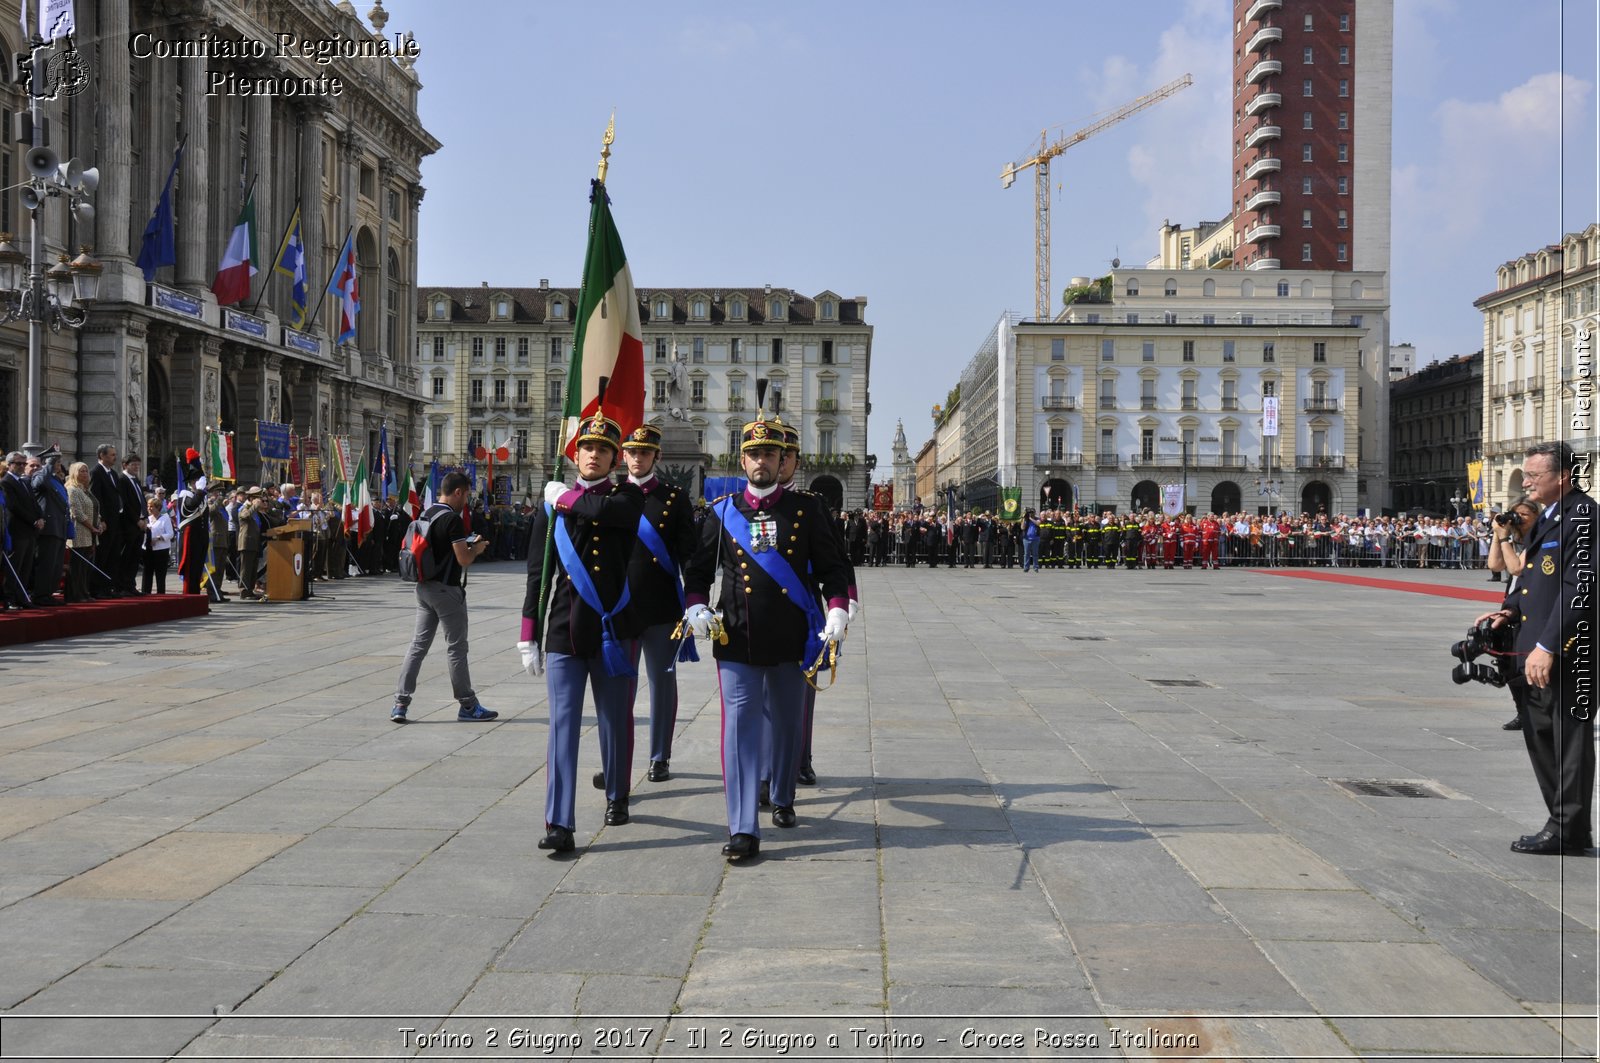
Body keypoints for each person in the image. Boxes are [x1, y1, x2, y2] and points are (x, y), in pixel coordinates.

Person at [682, 414, 852, 862]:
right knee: (738, 730)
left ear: (783, 461)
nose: (762, 461)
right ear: (743, 459)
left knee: (787, 723)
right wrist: (695, 603)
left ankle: (782, 794)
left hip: (790, 634)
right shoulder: (721, 513)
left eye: (770, 455)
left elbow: (833, 567)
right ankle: (742, 828)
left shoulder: (808, 510)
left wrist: (837, 607)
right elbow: (698, 571)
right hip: (737, 635)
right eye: (754, 454)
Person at [519, 415, 643, 854]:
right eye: (586, 448)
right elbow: (540, 570)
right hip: (564, 628)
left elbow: (608, 513)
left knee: (613, 720)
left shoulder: (625, 496)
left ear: (614, 458)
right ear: (575, 454)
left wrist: (563, 497)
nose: (594, 454)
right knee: (562, 726)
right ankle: (559, 822)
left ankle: (618, 794)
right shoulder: (551, 503)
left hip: (613, 626)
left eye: (603, 449)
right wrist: (527, 632)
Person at [1476, 442, 1596, 856]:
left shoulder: (1582, 517)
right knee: (1541, 736)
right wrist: (1508, 611)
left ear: (1562, 476)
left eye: (1533, 475)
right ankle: (1568, 827)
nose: (1525, 482)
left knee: (1568, 741)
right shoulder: (1550, 517)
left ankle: (1567, 829)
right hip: (1535, 648)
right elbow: (1532, 580)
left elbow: (1580, 589)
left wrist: (1548, 645)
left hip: (1567, 651)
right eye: (1525, 475)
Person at [618, 423, 695, 785]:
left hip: (663, 605)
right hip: (621, 606)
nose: (637, 458)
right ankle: (617, 754)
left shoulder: (674, 498)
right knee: (619, 687)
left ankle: (659, 756)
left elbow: (688, 553)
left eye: (644, 453)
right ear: (624, 455)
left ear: (657, 457)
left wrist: (696, 599)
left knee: (662, 684)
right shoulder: (612, 494)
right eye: (632, 452)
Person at [392, 471, 495, 724]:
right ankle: (468, 705)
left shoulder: (425, 514)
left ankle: (400, 703)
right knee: (457, 648)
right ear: (457, 492)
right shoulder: (452, 520)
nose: (466, 501)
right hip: (447, 590)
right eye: (467, 495)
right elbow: (463, 558)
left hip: (423, 587)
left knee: (418, 646)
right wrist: (477, 548)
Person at [1486, 497, 1540, 731]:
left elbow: (1517, 567)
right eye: (1516, 514)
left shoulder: (1540, 540)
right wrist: (1498, 535)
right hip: (1512, 606)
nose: (1519, 519)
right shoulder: (1515, 540)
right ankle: (1522, 712)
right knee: (1508, 662)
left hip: (1531, 609)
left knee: (1523, 664)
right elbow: (1495, 565)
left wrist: (1506, 538)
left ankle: (1534, 713)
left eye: (1525, 515)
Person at [29, 451, 70, 605]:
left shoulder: (55, 479)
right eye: (55, 462)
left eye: (58, 462)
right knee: (46, 564)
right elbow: (38, 485)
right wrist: (48, 464)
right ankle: (40, 595)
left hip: (59, 527)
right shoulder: (40, 475)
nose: (57, 464)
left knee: (56, 565)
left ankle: (48, 593)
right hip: (48, 528)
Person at [88, 444, 124, 598]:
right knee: (102, 556)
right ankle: (97, 589)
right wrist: (100, 519)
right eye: (111, 455)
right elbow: (96, 498)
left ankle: (108, 587)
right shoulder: (96, 473)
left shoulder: (114, 474)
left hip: (116, 522)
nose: (114, 457)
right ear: (102, 456)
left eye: (115, 455)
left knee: (113, 556)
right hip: (105, 523)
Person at [64, 461, 102, 603]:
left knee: (86, 566)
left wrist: (99, 523)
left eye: (86, 471)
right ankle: (75, 594)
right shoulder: (72, 489)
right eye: (81, 471)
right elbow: (76, 512)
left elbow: (94, 508)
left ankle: (84, 592)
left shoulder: (86, 490)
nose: (85, 473)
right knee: (77, 566)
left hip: (91, 533)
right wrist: (91, 527)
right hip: (79, 532)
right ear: (74, 473)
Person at [236, 487, 266, 599]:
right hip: (246, 542)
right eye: (258, 498)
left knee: (253, 568)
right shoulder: (245, 507)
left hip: (254, 542)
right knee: (246, 568)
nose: (260, 501)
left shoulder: (255, 510)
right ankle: (244, 590)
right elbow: (245, 516)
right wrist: (254, 506)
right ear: (252, 498)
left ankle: (250, 590)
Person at [142, 495, 173, 595]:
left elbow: (170, 534)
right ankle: (145, 593)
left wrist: (159, 538)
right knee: (147, 573)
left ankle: (160, 595)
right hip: (148, 549)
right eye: (148, 506)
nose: (149, 509)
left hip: (161, 550)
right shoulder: (147, 519)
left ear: (158, 507)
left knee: (160, 575)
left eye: (151, 506)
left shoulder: (165, 518)